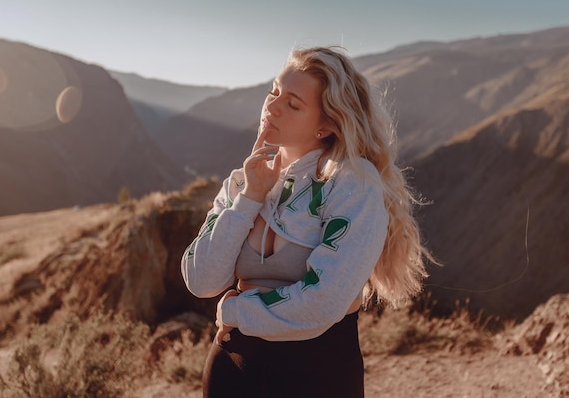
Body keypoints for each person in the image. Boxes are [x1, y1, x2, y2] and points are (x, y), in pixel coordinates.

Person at [181, 46, 432, 398]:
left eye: (293, 104)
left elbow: (323, 300)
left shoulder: (352, 182)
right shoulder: (243, 181)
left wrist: (238, 309)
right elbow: (201, 279)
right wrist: (249, 199)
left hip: (316, 375)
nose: (272, 107)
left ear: (326, 125)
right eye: (273, 92)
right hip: (231, 370)